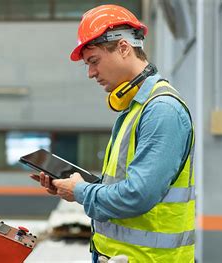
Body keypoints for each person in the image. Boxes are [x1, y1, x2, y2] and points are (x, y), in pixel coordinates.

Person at [31, 4, 195, 263]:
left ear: (123, 48)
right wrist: (73, 186)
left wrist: (82, 192)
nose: (91, 73)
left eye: (93, 61)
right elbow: (123, 187)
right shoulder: (136, 109)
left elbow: (138, 195)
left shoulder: (161, 110)